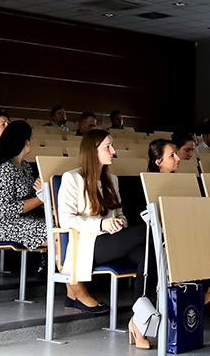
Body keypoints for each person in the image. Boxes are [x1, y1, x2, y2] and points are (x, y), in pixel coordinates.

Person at [146, 138, 210, 335]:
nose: (177, 158)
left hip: (185, 230)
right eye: (171, 155)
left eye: (176, 153)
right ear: (158, 161)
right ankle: (203, 288)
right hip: (163, 235)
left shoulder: (184, 182)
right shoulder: (147, 183)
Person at [58, 130, 146, 322]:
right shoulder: (71, 178)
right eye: (107, 146)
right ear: (92, 151)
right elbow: (65, 220)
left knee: (146, 255)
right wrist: (101, 224)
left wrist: (119, 222)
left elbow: (121, 214)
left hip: (113, 241)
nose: (113, 150)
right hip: (89, 244)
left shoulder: (112, 180)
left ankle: (140, 316)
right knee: (146, 229)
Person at [0, 121, 46, 252]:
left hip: (24, 219)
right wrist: (40, 199)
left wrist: (41, 190)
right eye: (31, 138)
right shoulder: (5, 169)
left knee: (60, 226)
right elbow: (4, 209)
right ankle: (61, 269)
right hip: (2, 224)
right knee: (55, 233)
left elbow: (29, 197)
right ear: (26, 141)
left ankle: (55, 265)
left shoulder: (26, 167)